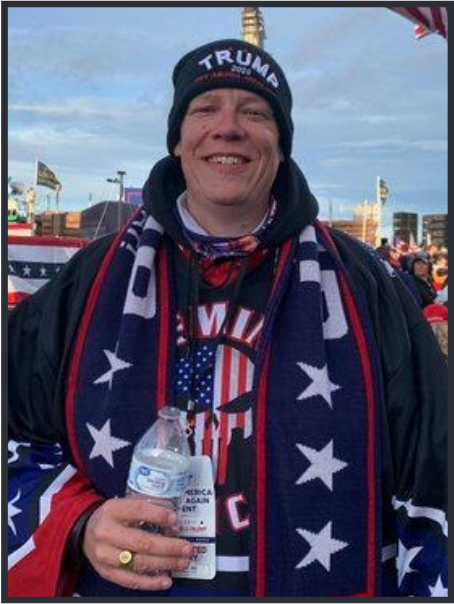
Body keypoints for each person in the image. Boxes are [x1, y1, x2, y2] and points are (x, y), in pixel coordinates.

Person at [8, 38, 447, 598]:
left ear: (281, 145)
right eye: (205, 108)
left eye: (256, 112)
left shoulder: (367, 286)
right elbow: (14, 436)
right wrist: (77, 524)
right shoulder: (88, 281)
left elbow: (434, 478)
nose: (229, 127)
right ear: (177, 138)